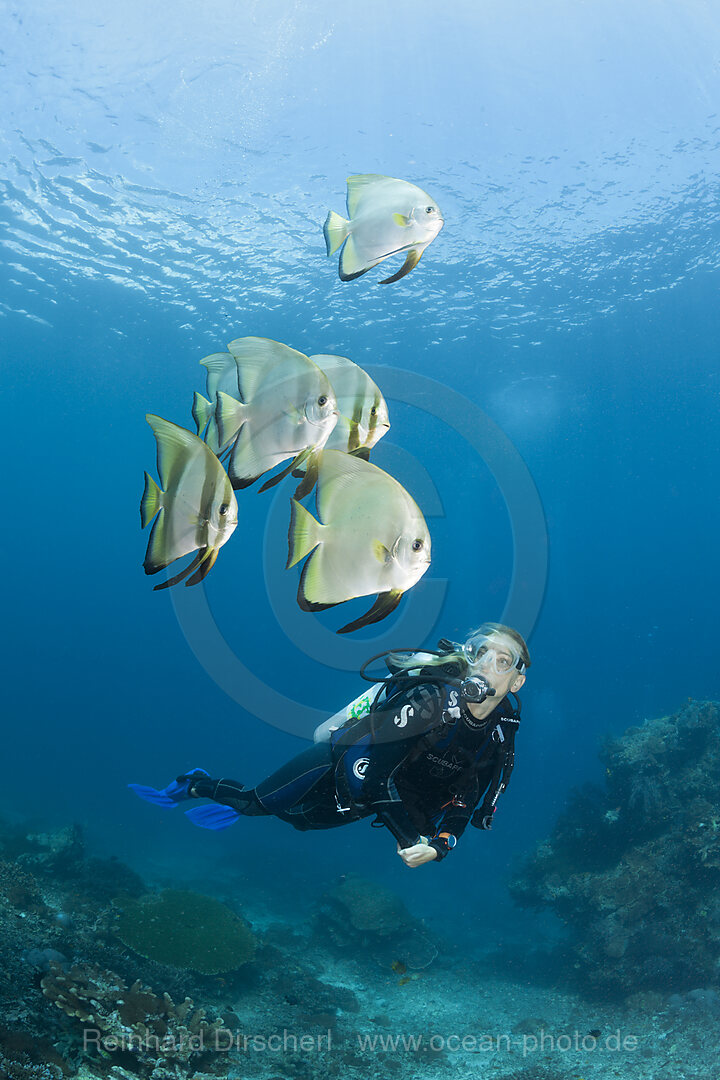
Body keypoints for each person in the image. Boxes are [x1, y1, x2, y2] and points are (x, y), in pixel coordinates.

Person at [130, 623, 530, 868]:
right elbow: (375, 777)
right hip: (340, 763)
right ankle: (195, 783)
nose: (485, 665)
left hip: (364, 799)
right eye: (480, 652)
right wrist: (411, 841)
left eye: (503, 661)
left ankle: (219, 792)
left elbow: (466, 800)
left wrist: (440, 849)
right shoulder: (430, 702)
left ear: (516, 681)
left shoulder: (499, 736)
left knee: (299, 821)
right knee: (255, 805)